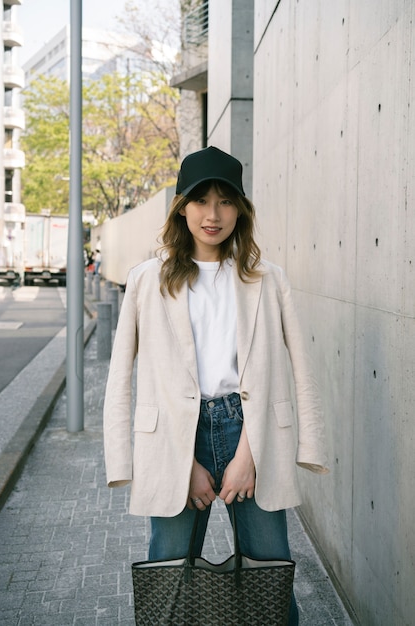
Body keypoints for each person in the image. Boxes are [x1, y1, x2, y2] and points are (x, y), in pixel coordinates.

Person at [103, 146, 329, 625]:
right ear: (181, 207)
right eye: (201, 200)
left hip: (249, 434)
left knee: (270, 575)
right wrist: (173, 462)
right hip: (174, 445)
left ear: (240, 210)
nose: (212, 214)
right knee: (168, 578)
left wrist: (251, 453)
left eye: (225, 201)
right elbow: (120, 378)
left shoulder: (268, 279)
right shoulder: (147, 280)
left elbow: (299, 371)